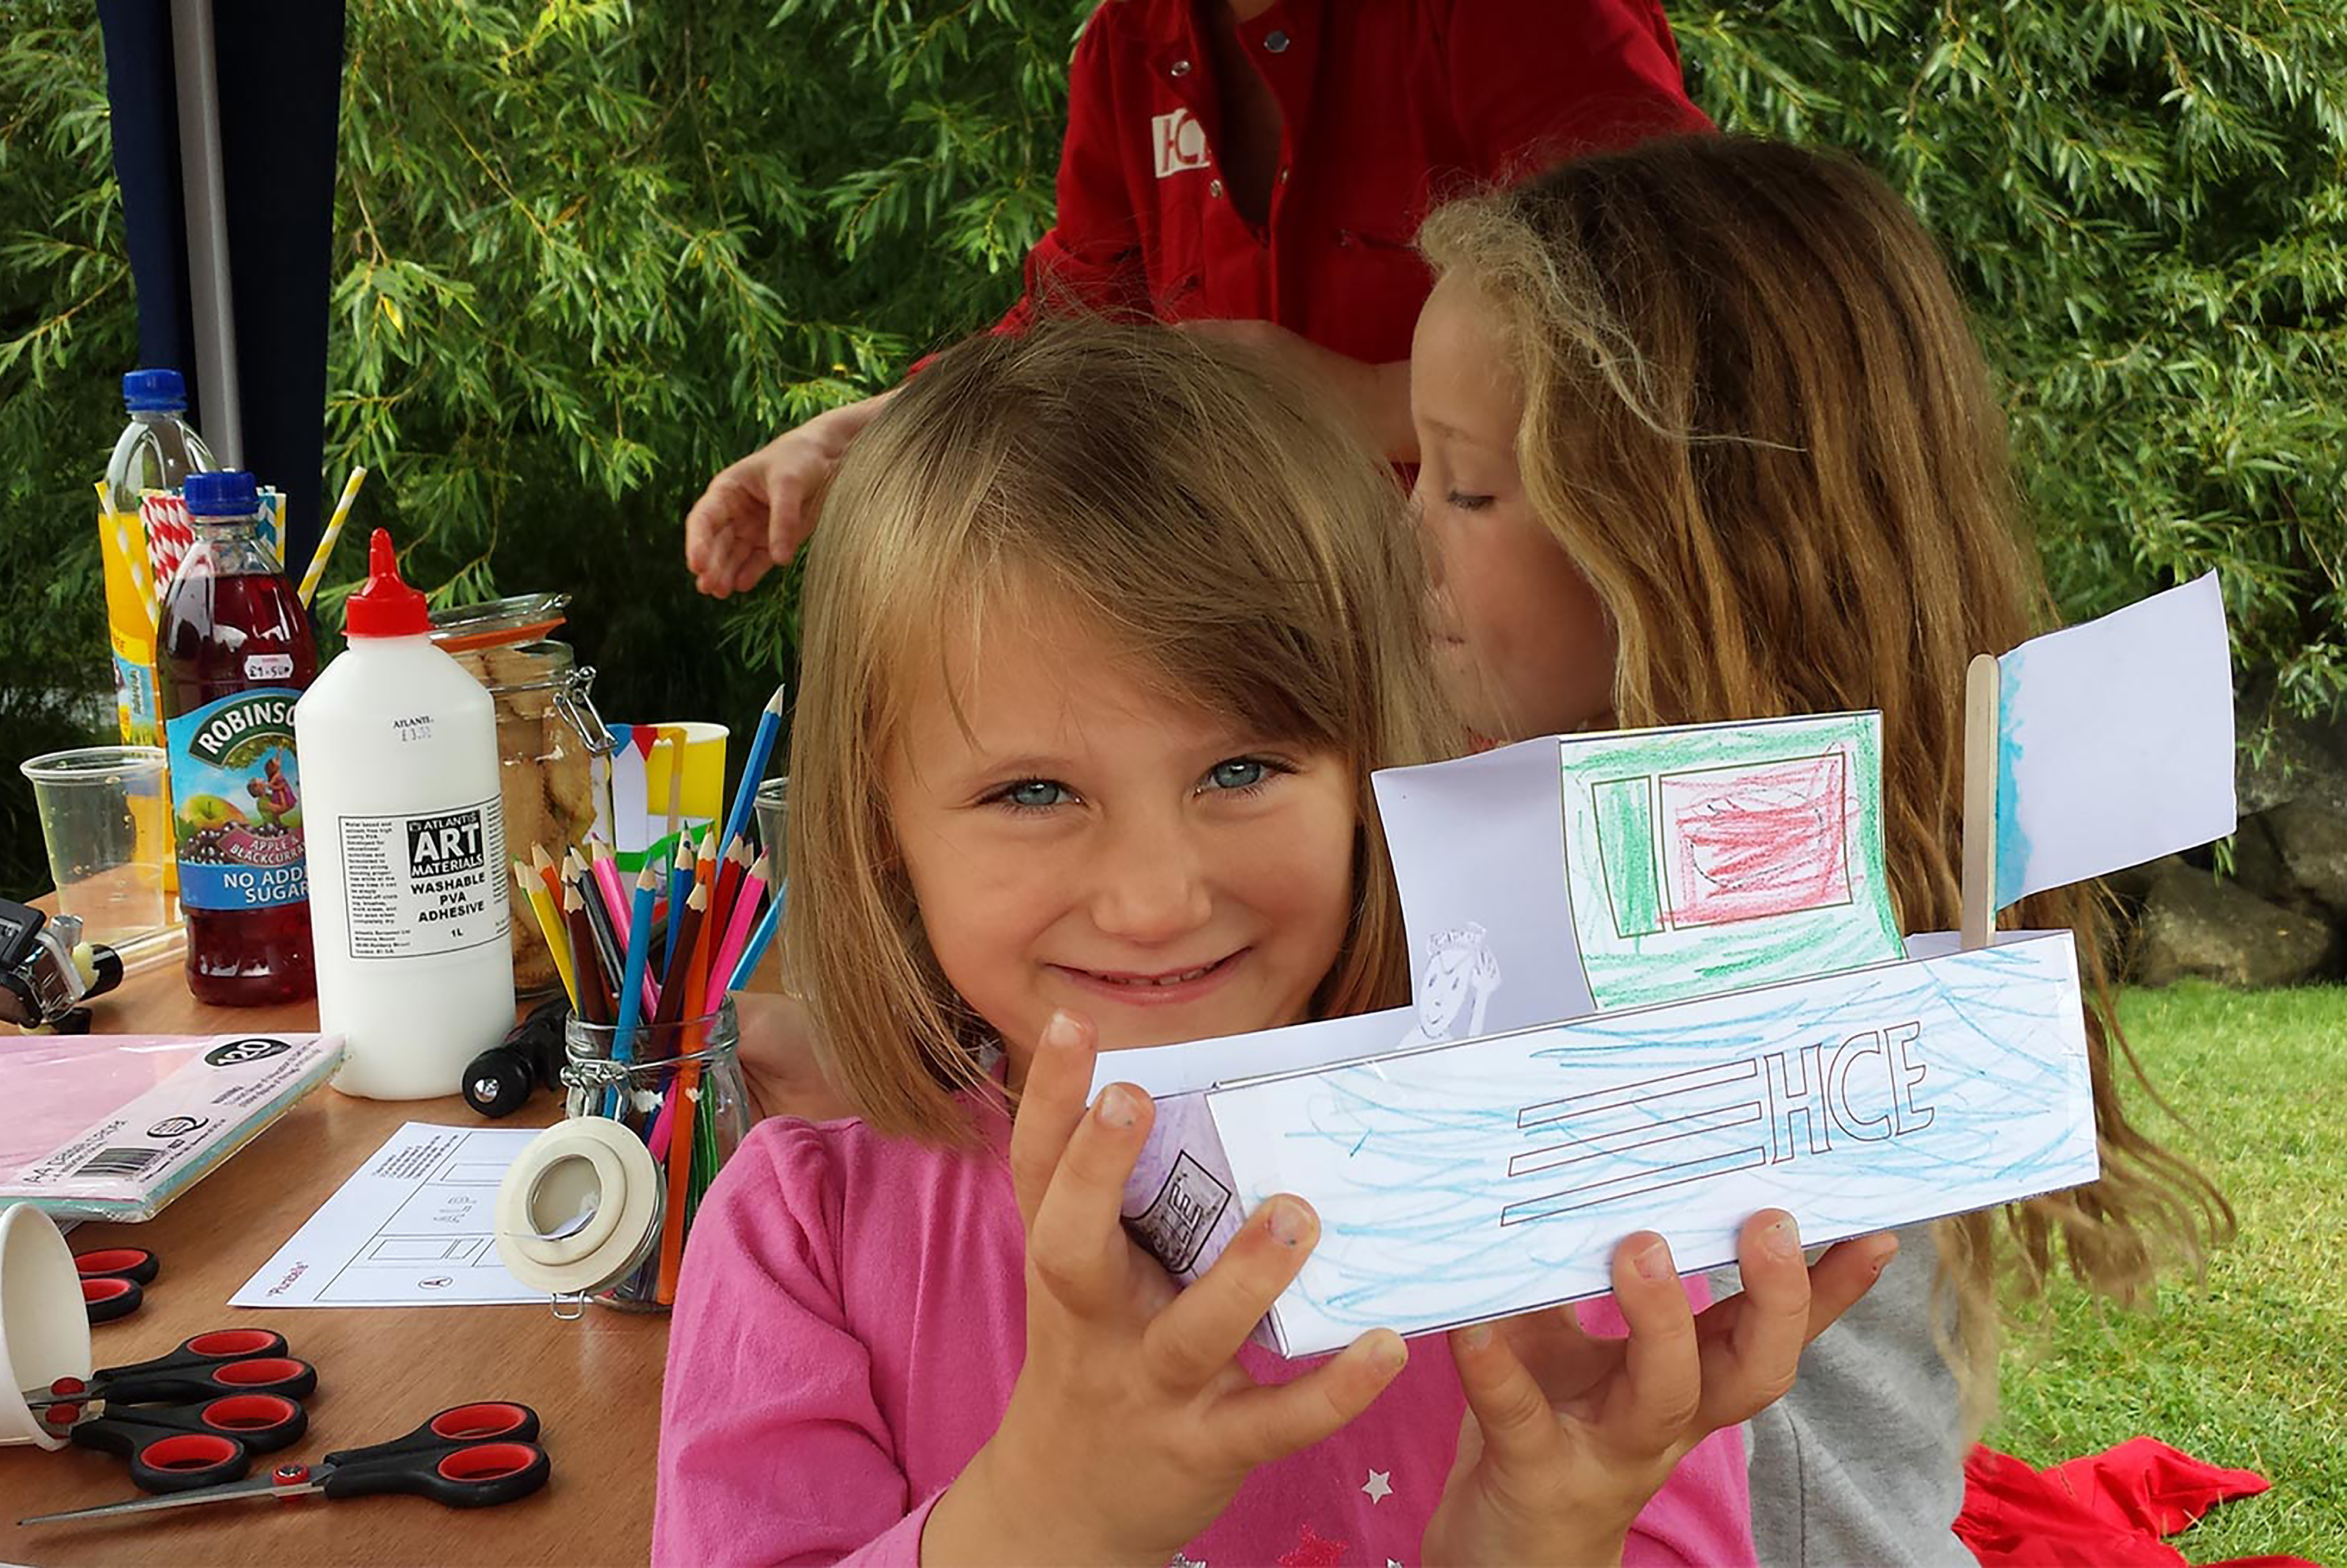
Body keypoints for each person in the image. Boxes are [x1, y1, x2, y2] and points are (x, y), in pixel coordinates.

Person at [655, 320, 1894, 1566]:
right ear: (879, 823)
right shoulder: (796, 1244)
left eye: (1239, 767)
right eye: (1032, 792)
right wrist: (1042, 1518)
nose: (1152, 898)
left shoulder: (1568, 1204)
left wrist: (1527, 1540)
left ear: (1370, 773)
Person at [1405, 133, 2235, 1566]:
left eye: (1467, 488)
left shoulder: (1753, 923)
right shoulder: (1581, 824)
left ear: (1675, 546)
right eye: (1412, 469)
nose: (1403, 521)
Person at [685, 0, 1712, 599]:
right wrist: (853, 440)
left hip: (1543, 682)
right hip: (1284, 668)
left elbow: (1696, 315)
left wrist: (1354, 400)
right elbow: (1074, 327)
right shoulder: (1129, 46)